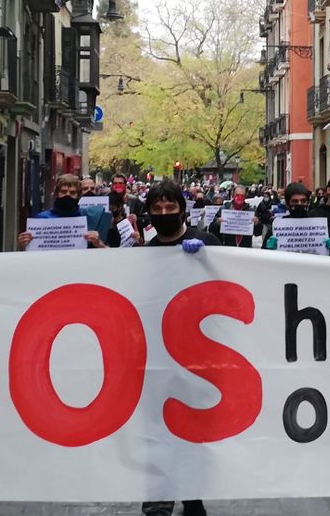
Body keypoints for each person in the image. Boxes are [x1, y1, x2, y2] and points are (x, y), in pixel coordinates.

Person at [139, 180, 219, 516]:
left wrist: (207, 258)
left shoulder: (207, 242)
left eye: (169, 208)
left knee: (191, 427)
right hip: (157, 355)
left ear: (182, 210)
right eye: (157, 209)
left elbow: (225, 285)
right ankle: (159, 495)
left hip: (197, 356)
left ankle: (191, 496)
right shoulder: (145, 252)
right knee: (156, 428)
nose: (163, 213)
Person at [17, 173, 107, 249]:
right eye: (63, 192)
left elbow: (109, 254)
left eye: (72, 193)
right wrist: (23, 244)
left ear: (79, 196)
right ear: (56, 194)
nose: (67, 195)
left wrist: (98, 243)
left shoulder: (90, 217)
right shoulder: (41, 219)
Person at [263, 182, 330, 254]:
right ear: (287, 203)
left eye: (303, 201)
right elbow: (263, 260)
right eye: (295, 201)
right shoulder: (277, 227)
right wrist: (269, 251)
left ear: (308, 202)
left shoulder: (320, 226)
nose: (300, 204)